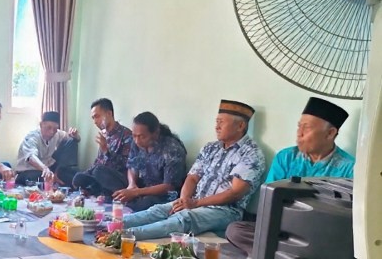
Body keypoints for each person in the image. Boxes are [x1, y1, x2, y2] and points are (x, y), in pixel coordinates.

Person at [226, 97, 355, 255]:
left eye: (306, 128)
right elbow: (268, 199)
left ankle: (278, 255)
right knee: (236, 230)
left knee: (342, 246)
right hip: (282, 228)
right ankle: (295, 256)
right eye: (299, 126)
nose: (299, 133)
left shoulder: (349, 167)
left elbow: (345, 216)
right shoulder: (286, 157)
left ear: (330, 133)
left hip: (319, 234)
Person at [123, 100, 266, 240]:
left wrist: (195, 204)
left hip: (225, 210)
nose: (217, 127)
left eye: (221, 122)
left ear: (240, 126)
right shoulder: (211, 147)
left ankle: (126, 235)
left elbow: (235, 193)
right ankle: (114, 224)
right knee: (157, 210)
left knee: (184, 218)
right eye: (216, 122)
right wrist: (184, 200)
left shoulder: (251, 153)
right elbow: (192, 177)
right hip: (195, 201)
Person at [112, 112, 188, 211]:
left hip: (162, 195)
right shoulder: (136, 143)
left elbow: (169, 187)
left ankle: (129, 201)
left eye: (142, 137)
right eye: (134, 136)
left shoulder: (172, 149)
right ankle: (128, 200)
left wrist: (136, 193)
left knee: (147, 202)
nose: (137, 141)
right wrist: (132, 184)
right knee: (100, 172)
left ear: (155, 133)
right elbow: (132, 167)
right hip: (141, 187)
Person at [72, 98, 133, 196]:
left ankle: (95, 190)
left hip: (119, 179)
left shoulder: (126, 135)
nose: (95, 121)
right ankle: (96, 190)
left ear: (109, 114)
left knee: (99, 171)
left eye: (97, 116)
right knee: (77, 176)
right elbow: (98, 162)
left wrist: (107, 151)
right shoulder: (105, 135)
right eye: (93, 118)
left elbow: (127, 166)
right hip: (101, 175)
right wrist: (85, 174)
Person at [15, 111, 80, 186]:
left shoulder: (57, 134)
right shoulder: (32, 137)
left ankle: (63, 171)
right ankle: (55, 181)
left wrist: (76, 136)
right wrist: (45, 169)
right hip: (28, 171)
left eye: (55, 129)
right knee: (43, 179)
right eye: (48, 128)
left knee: (75, 176)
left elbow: (73, 140)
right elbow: (31, 157)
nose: (52, 132)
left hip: (49, 169)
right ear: (41, 125)